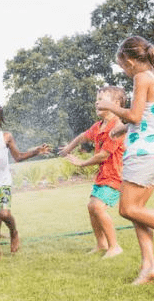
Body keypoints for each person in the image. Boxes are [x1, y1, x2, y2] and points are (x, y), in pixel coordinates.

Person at [97, 36, 154, 285]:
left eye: (121, 64)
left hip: (143, 153)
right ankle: (149, 267)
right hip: (147, 148)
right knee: (136, 213)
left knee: (127, 209)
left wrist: (111, 106)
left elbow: (134, 114)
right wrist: (121, 130)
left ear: (129, 60)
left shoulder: (141, 77)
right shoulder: (151, 76)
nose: (122, 69)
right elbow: (145, 116)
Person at [0, 102, 49, 260]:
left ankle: (14, 232)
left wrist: (35, 152)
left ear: (0, 118)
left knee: (4, 214)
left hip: (3, 183)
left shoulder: (6, 137)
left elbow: (18, 157)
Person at [60, 86, 127, 259]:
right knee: (92, 207)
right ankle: (101, 244)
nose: (97, 102)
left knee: (97, 206)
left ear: (117, 104)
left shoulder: (117, 128)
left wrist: (82, 163)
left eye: (102, 99)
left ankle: (114, 246)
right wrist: (69, 147)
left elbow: (103, 155)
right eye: (96, 99)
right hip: (103, 176)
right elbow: (83, 136)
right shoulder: (99, 126)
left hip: (116, 176)